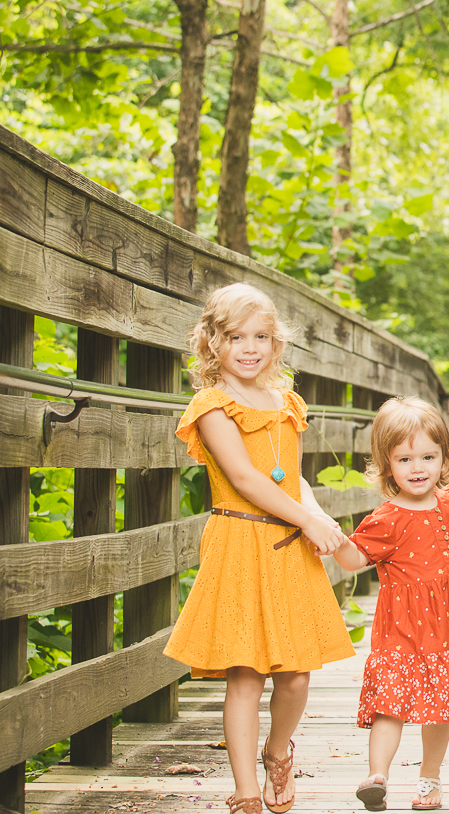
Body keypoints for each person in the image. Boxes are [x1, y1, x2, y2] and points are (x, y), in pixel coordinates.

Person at [165, 283, 355, 814]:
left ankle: (278, 750)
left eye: (262, 337)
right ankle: (245, 790)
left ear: (276, 344)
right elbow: (248, 479)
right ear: (212, 342)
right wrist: (304, 519)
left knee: (295, 674)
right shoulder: (211, 405)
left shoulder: (285, 402)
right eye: (235, 337)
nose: (250, 348)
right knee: (245, 671)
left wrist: (318, 521)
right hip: (240, 542)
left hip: (289, 545)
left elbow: (291, 479)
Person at [334, 398, 449, 812]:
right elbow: (354, 558)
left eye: (428, 456)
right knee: (388, 705)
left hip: (448, 629)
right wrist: (333, 537)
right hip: (402, 631)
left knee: (437, 709)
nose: (417, 468)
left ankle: (430, 781)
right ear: (386, 463)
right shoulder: (385, 519)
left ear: (444, 459)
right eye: (405, 458)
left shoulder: (447, 504)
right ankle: (378, 775)